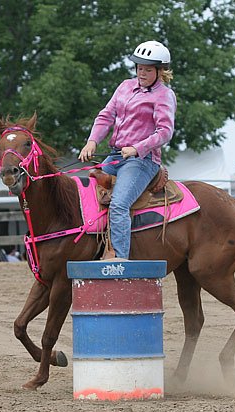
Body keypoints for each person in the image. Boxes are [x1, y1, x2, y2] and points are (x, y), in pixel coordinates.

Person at [78, 40, 177, 260]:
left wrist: (137, 148)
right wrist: (92, 141)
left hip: (142, 161)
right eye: (139, 68)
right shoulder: (125, 86)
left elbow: (165, 131)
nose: (141, 73)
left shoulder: (164, 95)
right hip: (115, 156)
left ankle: (120, 260)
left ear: (160, 71)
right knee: (87, 193)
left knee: (119, 204)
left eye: (147, 69)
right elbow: (106, 115)